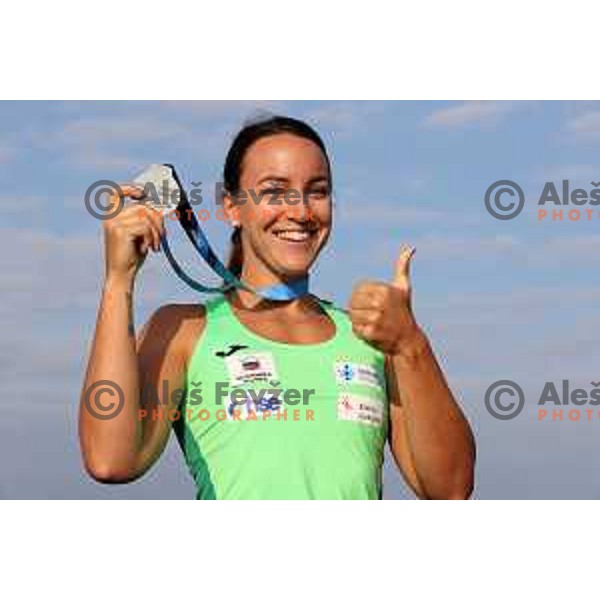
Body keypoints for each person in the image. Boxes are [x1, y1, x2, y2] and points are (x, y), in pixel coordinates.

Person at [79, 115, 475, 499]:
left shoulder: (372, 338)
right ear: (232, 207)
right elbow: (110, 461)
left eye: (317, 191)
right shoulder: (183, 329)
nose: (300, 212)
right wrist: (118, 280)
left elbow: (450, 489)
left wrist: (411, 345)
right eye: (273, 191)